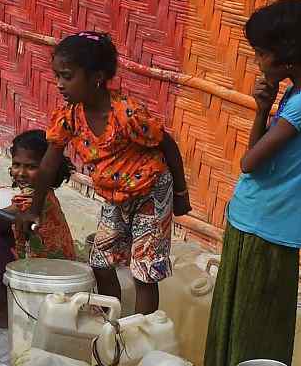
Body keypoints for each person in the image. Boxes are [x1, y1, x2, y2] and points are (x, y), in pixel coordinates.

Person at [206, 0, 301, 366]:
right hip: (257, 218)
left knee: (254, 326)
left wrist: (265, 110)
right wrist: (263, 108)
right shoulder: (298, 94)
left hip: (268, 225)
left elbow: (249, 162)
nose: (258, 62)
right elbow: (258, 155)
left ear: (288, 54)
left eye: (262, 53)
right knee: (241, 319)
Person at [26, 31, 191, 316]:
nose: (60, 84)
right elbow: (48, 165)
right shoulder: (69, 117)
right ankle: (110, 322)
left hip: (151, 193)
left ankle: (140, 331)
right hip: (116, 198)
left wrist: (180, 193)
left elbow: (168, 145)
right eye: (57, 76)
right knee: (100, 263)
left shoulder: (127, 114)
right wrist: (34, 210)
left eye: (67, 76)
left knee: (144, 271)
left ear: (97, 77)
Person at [0, 129, 82, 317]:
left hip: (45, 277)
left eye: (30, 167)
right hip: (53, 269)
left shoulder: (33, 199)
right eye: (16, 165)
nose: (21, 173)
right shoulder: (44, 193)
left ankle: (8, 309)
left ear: (48, 168)